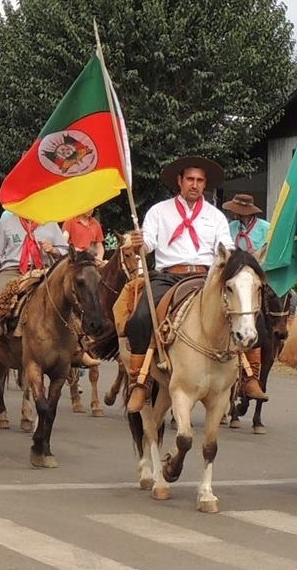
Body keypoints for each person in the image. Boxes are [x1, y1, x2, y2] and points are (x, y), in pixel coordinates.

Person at [122, 155, 268, 412]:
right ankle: (139, 382)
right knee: (140, 317)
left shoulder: (216, 216)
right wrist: (138, 244)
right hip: (168, 276)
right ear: (179, 181)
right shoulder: (159, 211)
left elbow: (226, 248)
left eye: (200, 180)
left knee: (254, 315)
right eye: (190, 179)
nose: (195, 184)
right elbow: (148, 245)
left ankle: (249, 376)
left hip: (206, 277)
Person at [0, 210, 66, 366]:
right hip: (13, 269)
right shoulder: (7, 221)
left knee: (69, 295)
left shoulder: (50, 222)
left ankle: (79, 346)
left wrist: (53, 250)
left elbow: (66, 252)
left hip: (44, 270)